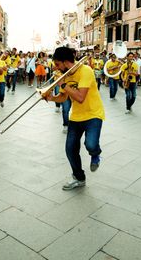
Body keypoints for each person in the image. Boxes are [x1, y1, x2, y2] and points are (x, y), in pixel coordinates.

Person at [42, 46, 105, 191]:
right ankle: (79, 178)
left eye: (57, 64)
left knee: (90, 144)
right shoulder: (65, 74)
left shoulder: (86, 71)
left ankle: (96, 154)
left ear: (65, 61)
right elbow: (64, 97)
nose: (56, 68)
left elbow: (80, 97)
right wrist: (50, 97)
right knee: (70, 149)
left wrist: (62, 84)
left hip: (93, 114)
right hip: (76, 116)